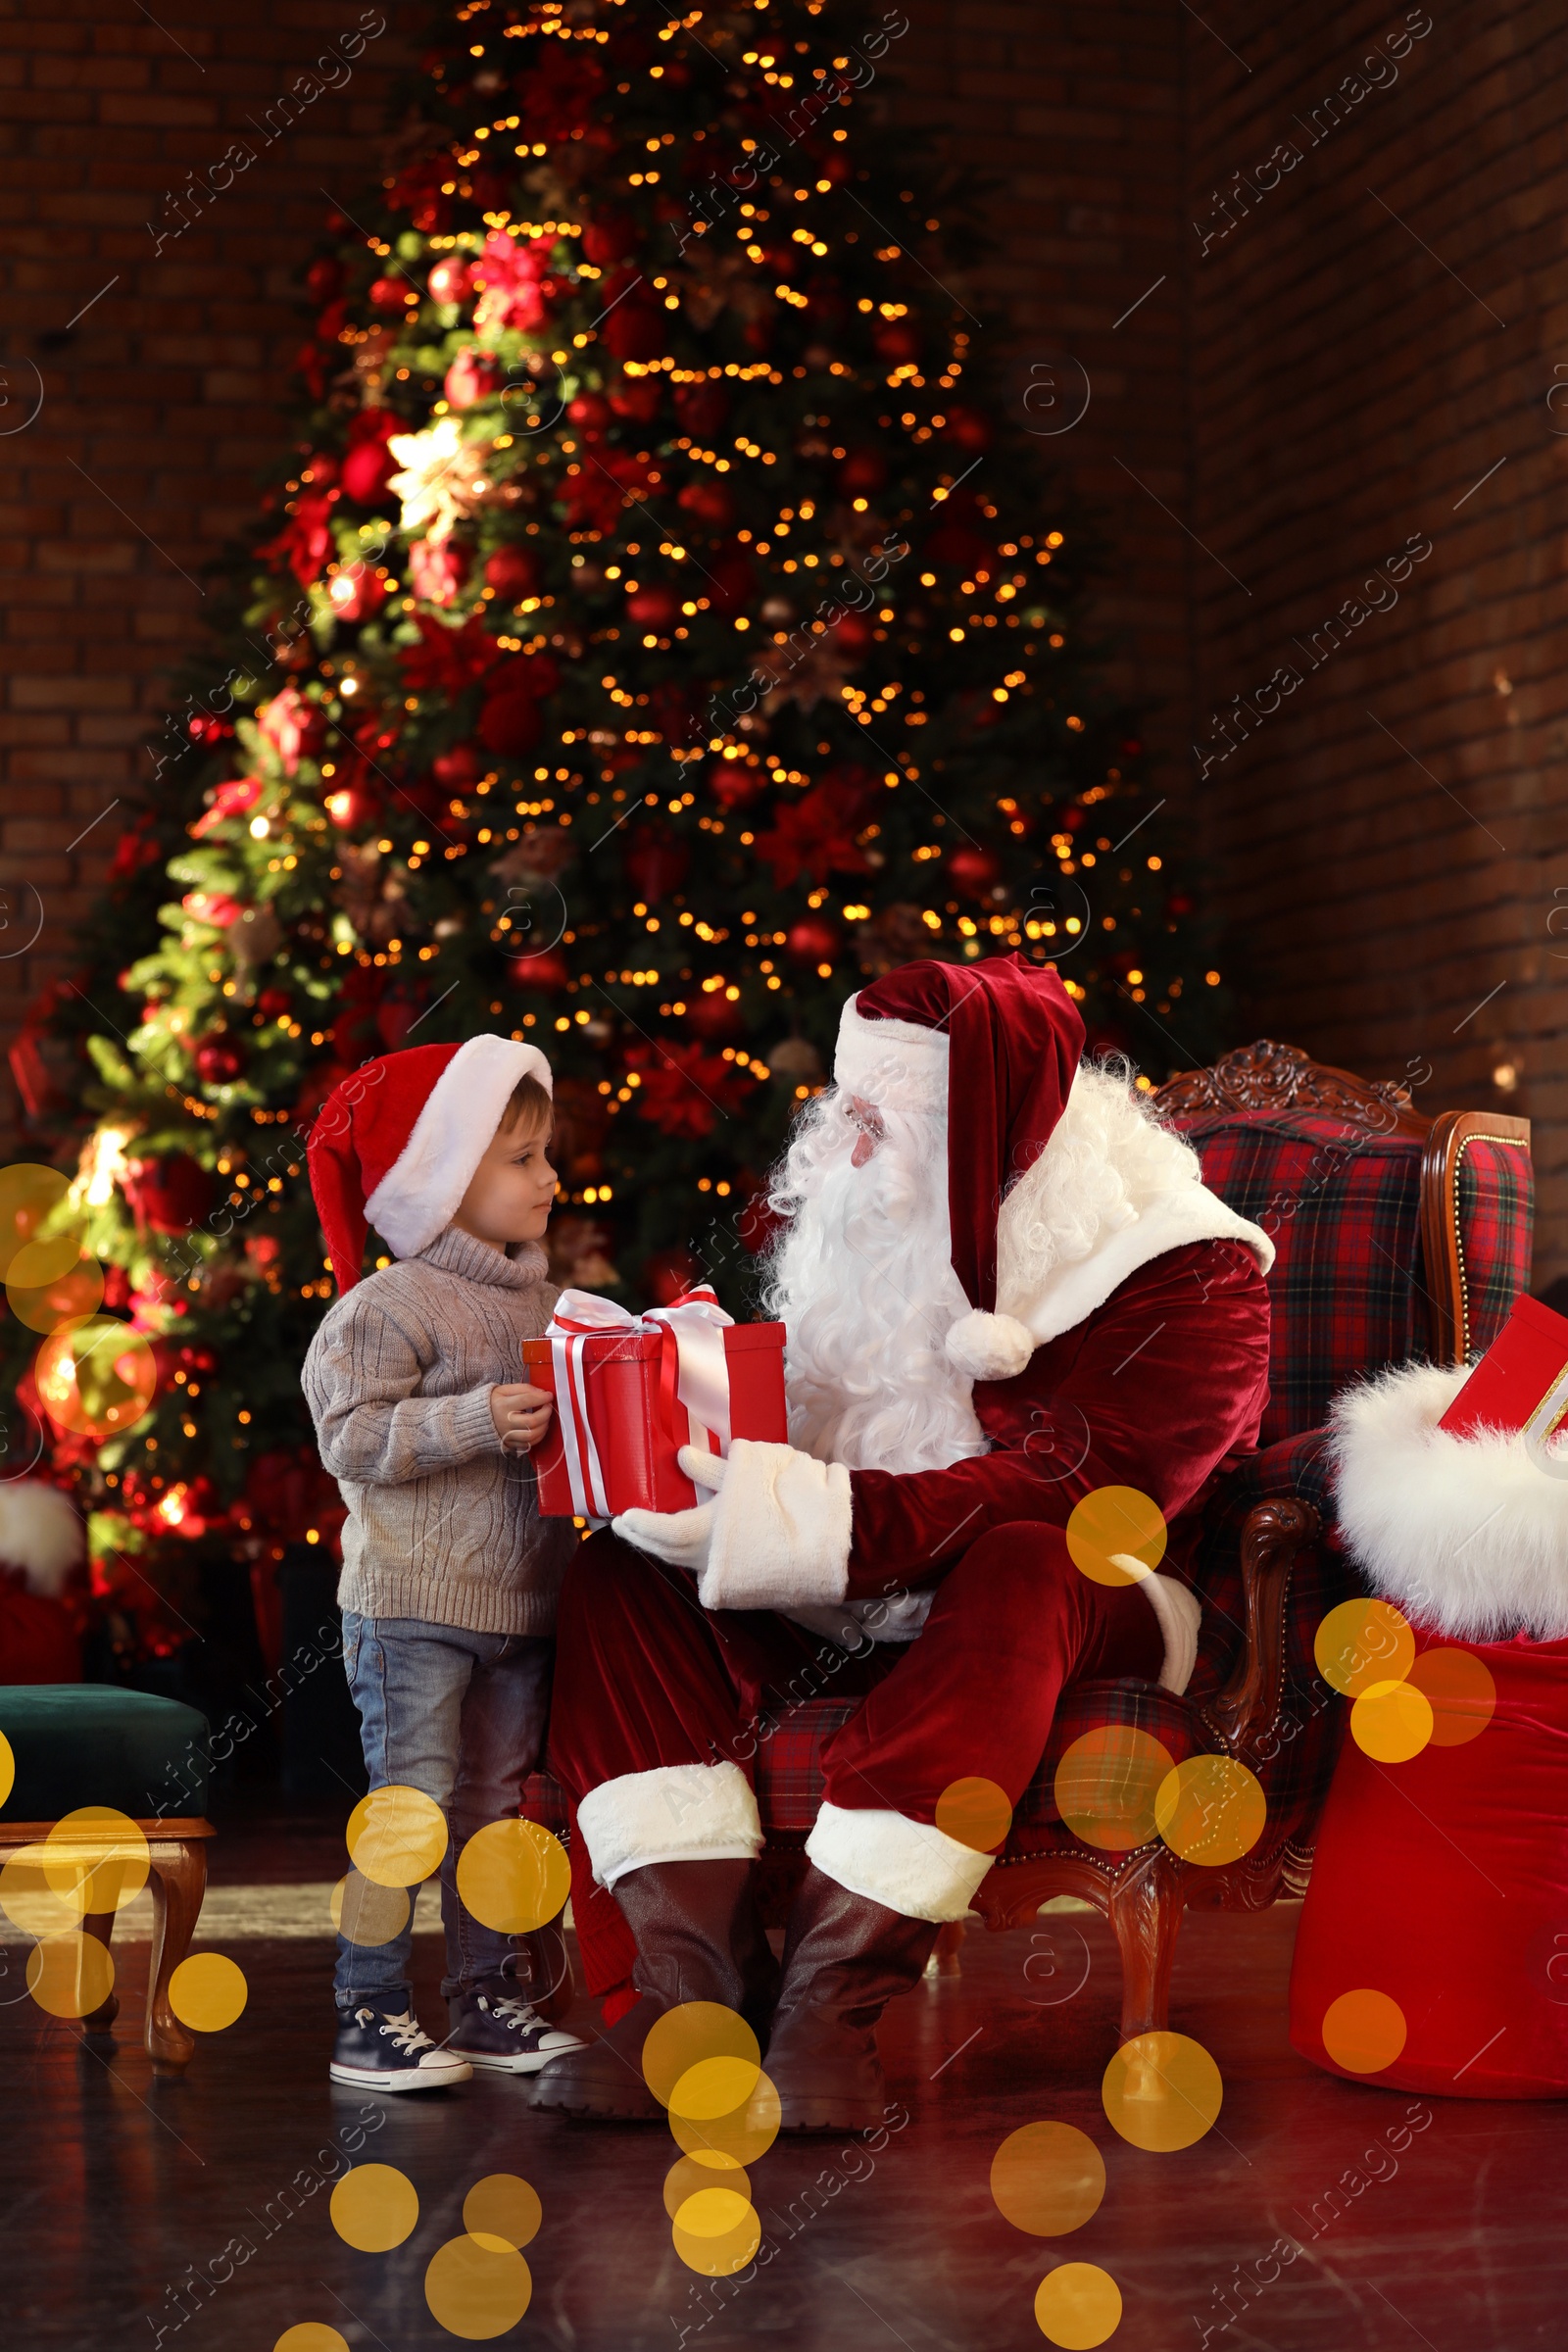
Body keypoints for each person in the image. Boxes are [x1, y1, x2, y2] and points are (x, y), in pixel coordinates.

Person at [532, 956, 1274, 2130]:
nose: (843, 1144)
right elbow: (814, 1417)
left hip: (1087, 1599)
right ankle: (695, 2016)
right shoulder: (867, 1211)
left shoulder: (1183, 1262)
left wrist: (817, 1522)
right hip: (847, 1593)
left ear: (980, 1129)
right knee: (623, 1574)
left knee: (1031, 1557)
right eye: (844, 1107)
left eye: (880, 1119)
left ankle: (831, 2016)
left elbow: (1092, 1485)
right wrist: (699, 1428)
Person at [302, 1034, 585, 2091]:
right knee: (410, 1811)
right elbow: (351, 1441)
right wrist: (473, 1420)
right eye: (520, 1159)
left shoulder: (552, 1308)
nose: (549, 1178)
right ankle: (365, 2012)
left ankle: (484, 2002)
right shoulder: (386, 1307)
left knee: (494, 1814)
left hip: (522, 1605)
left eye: (545, 1154)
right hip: (414, 1605)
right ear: (442, 1176)